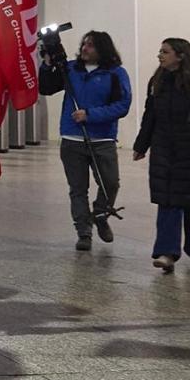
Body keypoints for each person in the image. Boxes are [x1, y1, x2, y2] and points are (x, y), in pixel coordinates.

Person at [40, 30, 133, 251]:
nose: (84, 48)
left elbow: (122, 105)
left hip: (103, 138)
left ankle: (100, 213)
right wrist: (46, 63)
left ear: (102, 49)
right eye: (84, 44)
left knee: (110, 182)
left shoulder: (116, 74)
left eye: (90, 45)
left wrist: (90, 115)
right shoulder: (70, 69)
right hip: (72, 138)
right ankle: (83, 231)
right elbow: (46, 87)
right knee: (78, 188)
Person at [133, 38, 190, 273]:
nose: (160, 55)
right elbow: (150, 116)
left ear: (181, 55)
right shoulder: (157, 83)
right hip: (164, 150)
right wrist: (141, 145)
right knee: (167, 201)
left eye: (165, 52)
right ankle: (167, 252)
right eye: (160, 51)